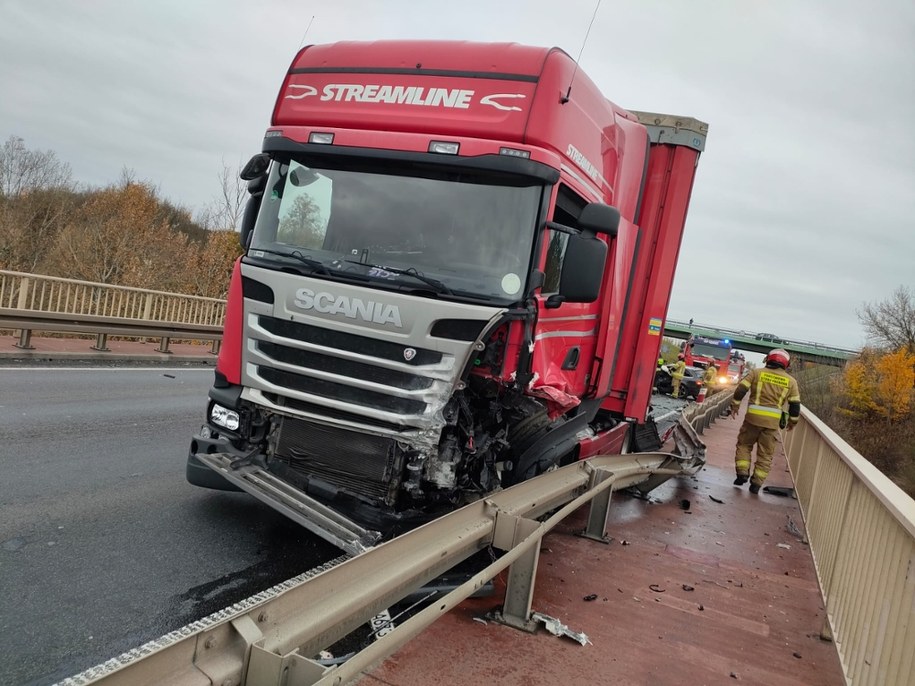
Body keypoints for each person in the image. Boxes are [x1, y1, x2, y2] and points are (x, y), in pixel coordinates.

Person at [729, 349, 801, 494]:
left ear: (768, 359)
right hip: (772, 424)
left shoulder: (756, 373)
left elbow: (741, 389)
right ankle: (756, 483)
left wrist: (735, 405)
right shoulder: (791, 382)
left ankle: (742, 473)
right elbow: (795, 405)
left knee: (744, 444)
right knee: (766, 454)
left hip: (752, 419)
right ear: (786, 364)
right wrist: (792, 422)